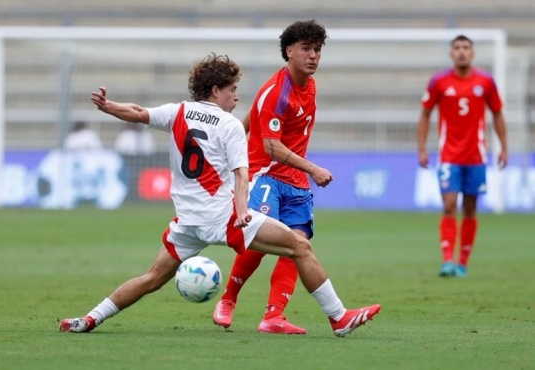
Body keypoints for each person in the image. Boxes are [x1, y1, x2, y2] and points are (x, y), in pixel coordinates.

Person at [58, 53, 381, 337]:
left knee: (151, 277)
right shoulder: (228, 126)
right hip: (223, 218)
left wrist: (108, 106)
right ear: (216, 90)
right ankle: (339, 318)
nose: (236, 97)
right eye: (232, 90)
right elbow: (242, 175)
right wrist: (242, 211)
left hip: (187, 222)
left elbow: (138, 112)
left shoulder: (178, 112)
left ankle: (89, 318)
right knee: (300, 246)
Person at [212, 20, 334, 335]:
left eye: (317, 49)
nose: (313, 56)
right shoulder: (276, 91)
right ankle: (228, 299)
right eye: (306, 49)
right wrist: (314, 168)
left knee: (298, 244)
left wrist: (236, 133)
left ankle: (273, 316)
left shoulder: (309, 85)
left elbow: (255, 114)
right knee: (261, 242)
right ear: (289, 51)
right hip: (265, 175)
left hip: (295, 181)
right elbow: (272, 147)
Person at [417, 35, 508, 278]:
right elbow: (425, 114)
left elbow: (498, 113)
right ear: (451, 54)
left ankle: (463, 263)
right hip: (449, 156)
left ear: (473, 53)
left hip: (476, 156)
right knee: (448, 205)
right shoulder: (439, 82)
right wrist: (422, 148)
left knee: (470, 208)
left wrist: (503, 147)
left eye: (466, 48)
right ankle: (447, 260)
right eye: (457, 48)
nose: (461, 52)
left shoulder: (486, 82)